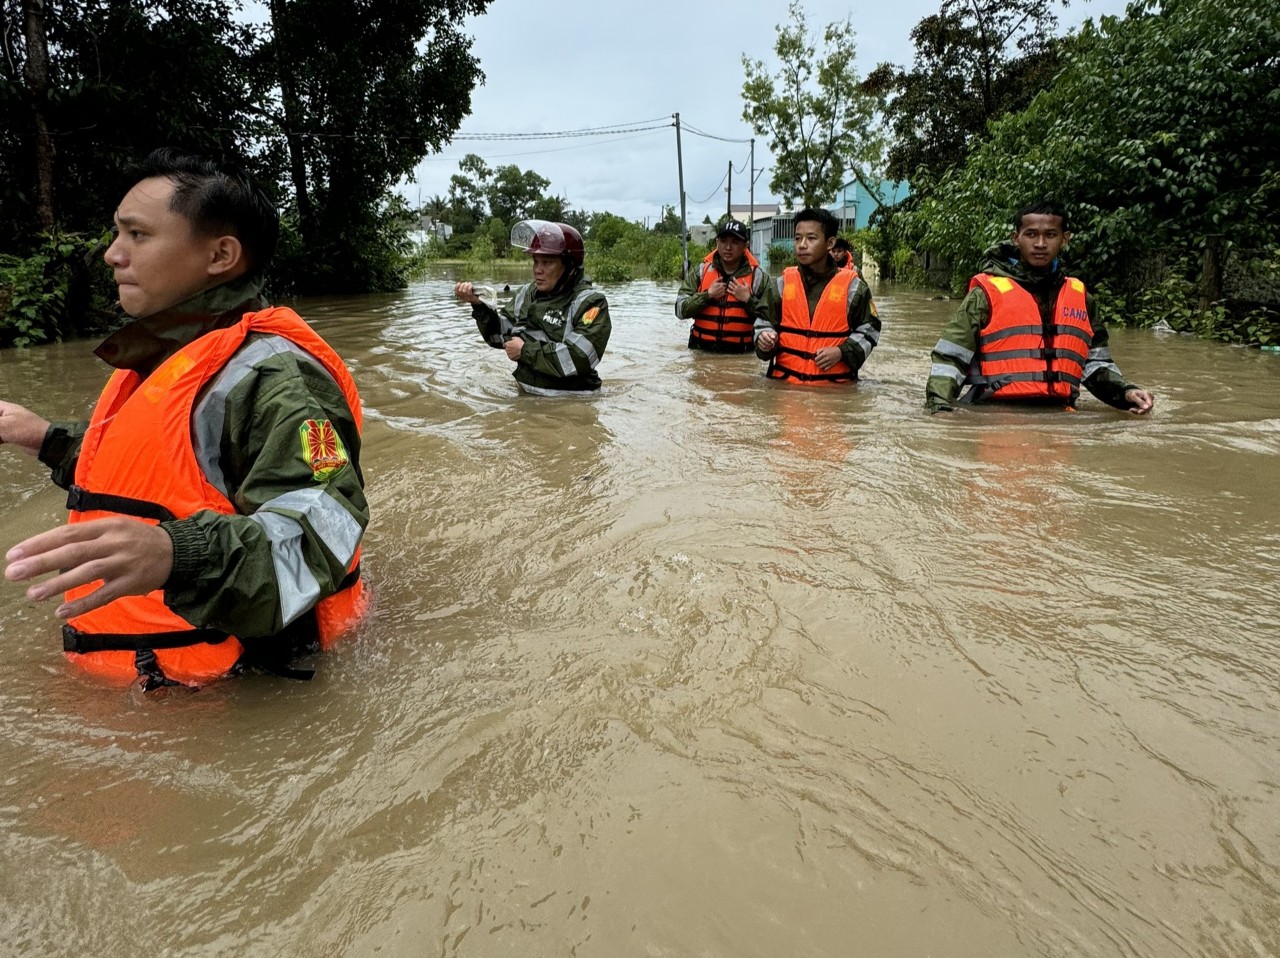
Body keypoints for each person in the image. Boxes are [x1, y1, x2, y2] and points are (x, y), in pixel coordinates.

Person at [0, 149, 368, 689]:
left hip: (239, 690)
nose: (112, 254)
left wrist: (177, 553)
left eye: (137, 235)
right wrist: (44, 439)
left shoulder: (277, 382)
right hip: (145, 682)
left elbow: (324, 529)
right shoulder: (173, 353)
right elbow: (166, 473)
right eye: (116, 233)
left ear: (220, 255)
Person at [925, 201, 1155, 414]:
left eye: (1050, 235)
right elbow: (951, 358)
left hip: (1061, 415)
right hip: (995, 414)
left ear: (1065, 239)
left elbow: (1095, 364)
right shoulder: (985, 293)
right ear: (1016, 238)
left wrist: (1126, 392)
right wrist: (939, 406)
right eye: (1031, 234)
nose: (1040, 244)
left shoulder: (1081, 298)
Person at [455, 220, 610, 395]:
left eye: (547, 262)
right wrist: (479, 306)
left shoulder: (590, 302)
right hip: (526, 394)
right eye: (535, 261)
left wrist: (525, 351)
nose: (538, 270)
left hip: (572, 402)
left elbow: (580, 357)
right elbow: (499, 337)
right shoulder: (527, 293)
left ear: (570, 266)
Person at [754, 207, 881, 384]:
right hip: (784, 391)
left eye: (811, 238)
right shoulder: (781, 285)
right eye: (798, 238)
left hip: (835, 396)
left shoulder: (854, 288)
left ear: (830, 243)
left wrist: (842, 352)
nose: (802, 245)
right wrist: (764, 338)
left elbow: (870, 330)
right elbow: (763, 322)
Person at [674, 219, 773, 352]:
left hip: (741, 356)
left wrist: (748, 300)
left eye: (735, 242)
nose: (728, 247)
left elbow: (771, 319)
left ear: (745, 246)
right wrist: (707, 295)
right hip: (701, 353)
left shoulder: (758, 277)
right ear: (717, 243)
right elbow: (680, 310)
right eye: (723, 241)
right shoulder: (701, 272)